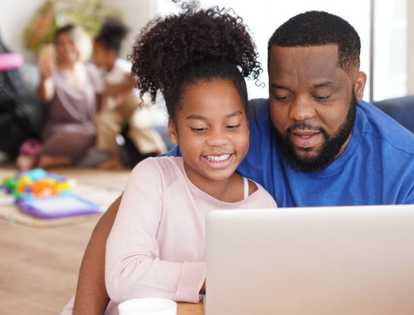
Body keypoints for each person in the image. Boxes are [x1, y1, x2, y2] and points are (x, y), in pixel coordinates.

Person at [70, 10, 414, 314]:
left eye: (322, 95)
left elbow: (413, 290)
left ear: (358, 86)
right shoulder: (241, 129)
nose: (300, 113)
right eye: (282, 95)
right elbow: (123, 217)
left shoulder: (412, 169)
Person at [60, 6, 276, 315]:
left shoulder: (262, 206)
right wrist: (213, 277)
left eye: (232, 126)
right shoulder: (153, 177)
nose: (217, 139)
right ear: (173, 130)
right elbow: (122, 278)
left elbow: (257, 293)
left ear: (247, 126)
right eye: (199, 128)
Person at [86, 18, 166, 169]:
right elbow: (101, 98)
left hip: (139, 106)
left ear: (110, 54)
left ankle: (160, 153)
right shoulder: (98, 74)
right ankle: (116, 158)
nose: (93, 56)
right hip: (119, 110)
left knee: (138, 124)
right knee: (103, 121)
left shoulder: (123, 68)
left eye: (96, 52)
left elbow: (138, 85)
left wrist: (122, 89)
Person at [17, 24, 97, 170]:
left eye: (71, 42)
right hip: (61, 133)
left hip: (90, 129)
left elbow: (102, 104)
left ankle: (58, 160)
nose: (66, 47)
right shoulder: (52, 73)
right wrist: (44, 78)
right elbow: (45, 95)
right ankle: (41, 156)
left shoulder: (91, 71)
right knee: (90, 136)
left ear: (81, 44)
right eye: (60, 43)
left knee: (100, 136)